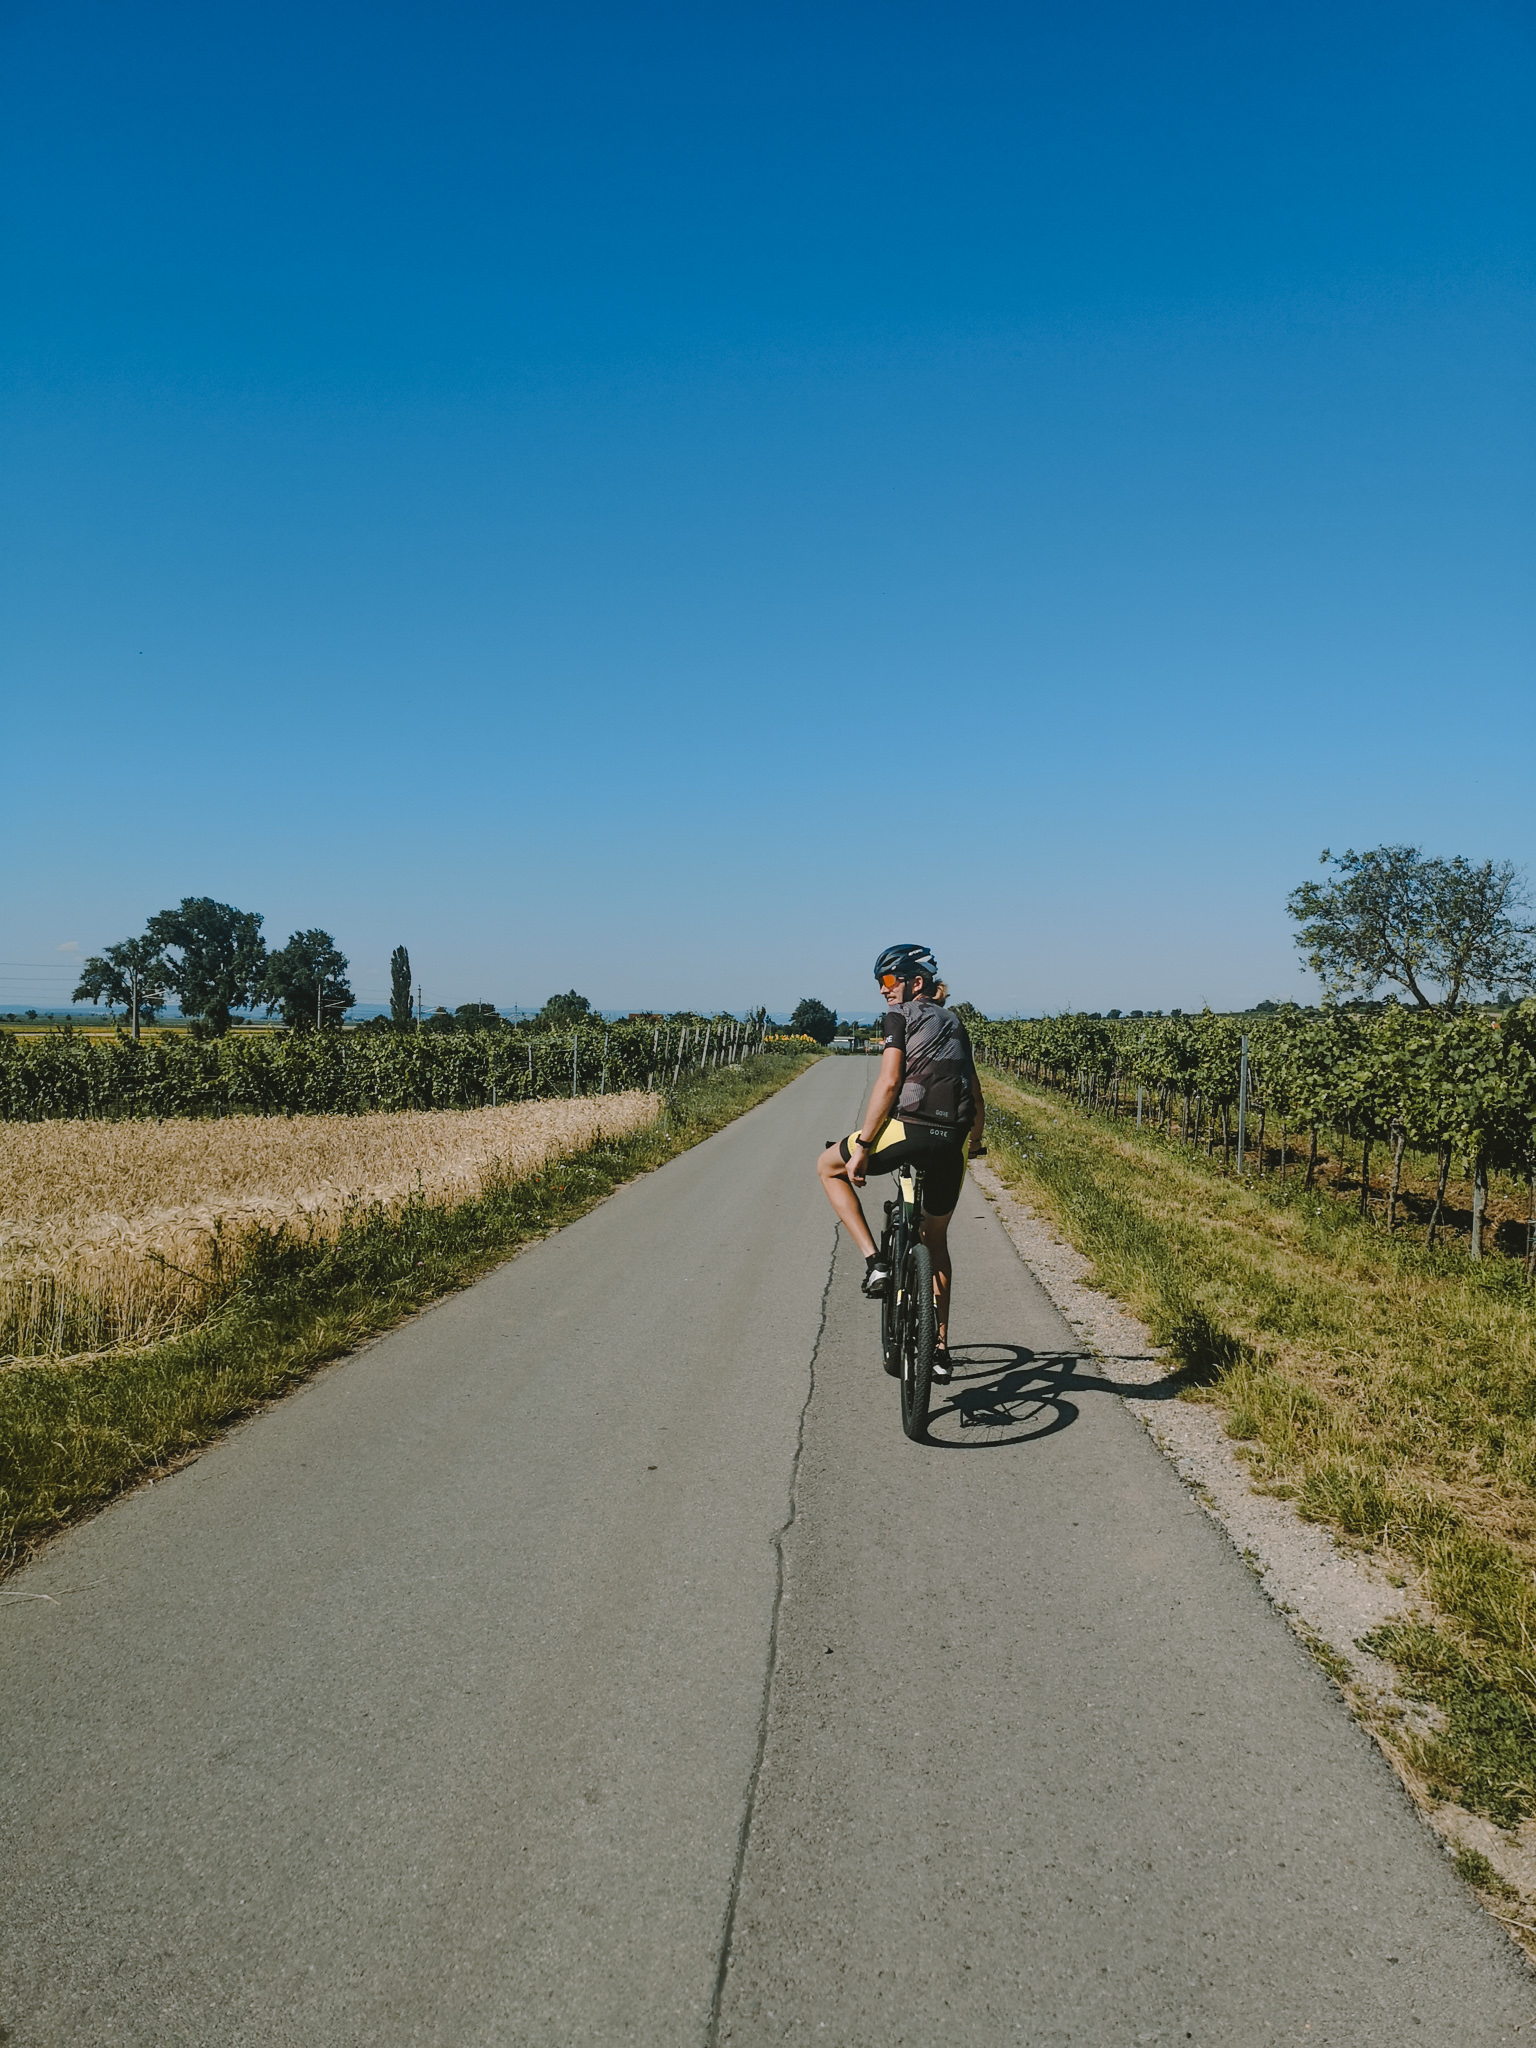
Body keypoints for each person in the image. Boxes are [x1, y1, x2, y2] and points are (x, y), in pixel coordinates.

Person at [816, 944, 985, 1382]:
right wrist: (977, 1142)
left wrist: (864, 1146)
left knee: (827, 1166)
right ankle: (941, 1349)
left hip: (908, 1130)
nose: (884, 992)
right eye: (881, 984)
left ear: (915, 982)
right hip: (954, 1141)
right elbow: (975, 1094)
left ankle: (876, 1261)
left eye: (889, 981)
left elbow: (890, 1081)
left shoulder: (901, 1017)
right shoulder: (956, 1022)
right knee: (936, 1239)